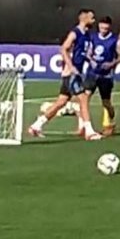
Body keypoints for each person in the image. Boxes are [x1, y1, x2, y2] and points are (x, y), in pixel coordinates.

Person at [28, 8, 100, 140]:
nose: (94, 20)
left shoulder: (87, 35)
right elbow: (63, 49)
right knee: (83, 99)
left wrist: (91, 60)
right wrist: (71, 67)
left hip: (76, 73)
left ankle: (36, 126)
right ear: (83, 18)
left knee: (61, 102)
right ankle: (89, 131)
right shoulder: (75, 33)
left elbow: (84, 53)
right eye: (92, 17)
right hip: (71, 74)